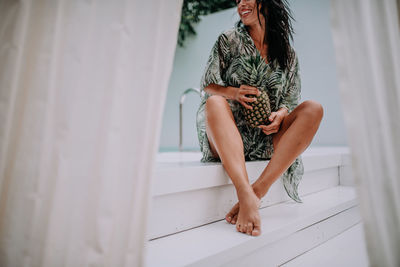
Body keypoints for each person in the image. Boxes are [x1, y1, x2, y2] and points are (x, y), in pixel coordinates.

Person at [195, 0, 324, 236]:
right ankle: (245, 194)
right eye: (237, 0)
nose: (241, 4)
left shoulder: (287, 52)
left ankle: (257, 192)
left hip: (266, 137)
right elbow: (208, 86)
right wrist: (233, 93)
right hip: (229, 135)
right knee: (214, 103)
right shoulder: (229, 40)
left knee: (314, 109)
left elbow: (291, 98)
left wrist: (281, 114)